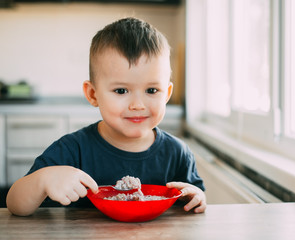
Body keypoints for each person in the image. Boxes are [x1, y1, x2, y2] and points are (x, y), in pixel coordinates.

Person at [6, 17, 206, 216]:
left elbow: (196, 204)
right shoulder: (72, 150)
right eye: (121, 91)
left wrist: (197, 198)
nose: (137, 105)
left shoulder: (178, 154)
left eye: (152, 90)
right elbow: (15, 204)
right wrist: (43, 180)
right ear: (93, 94)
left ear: (167, 94)